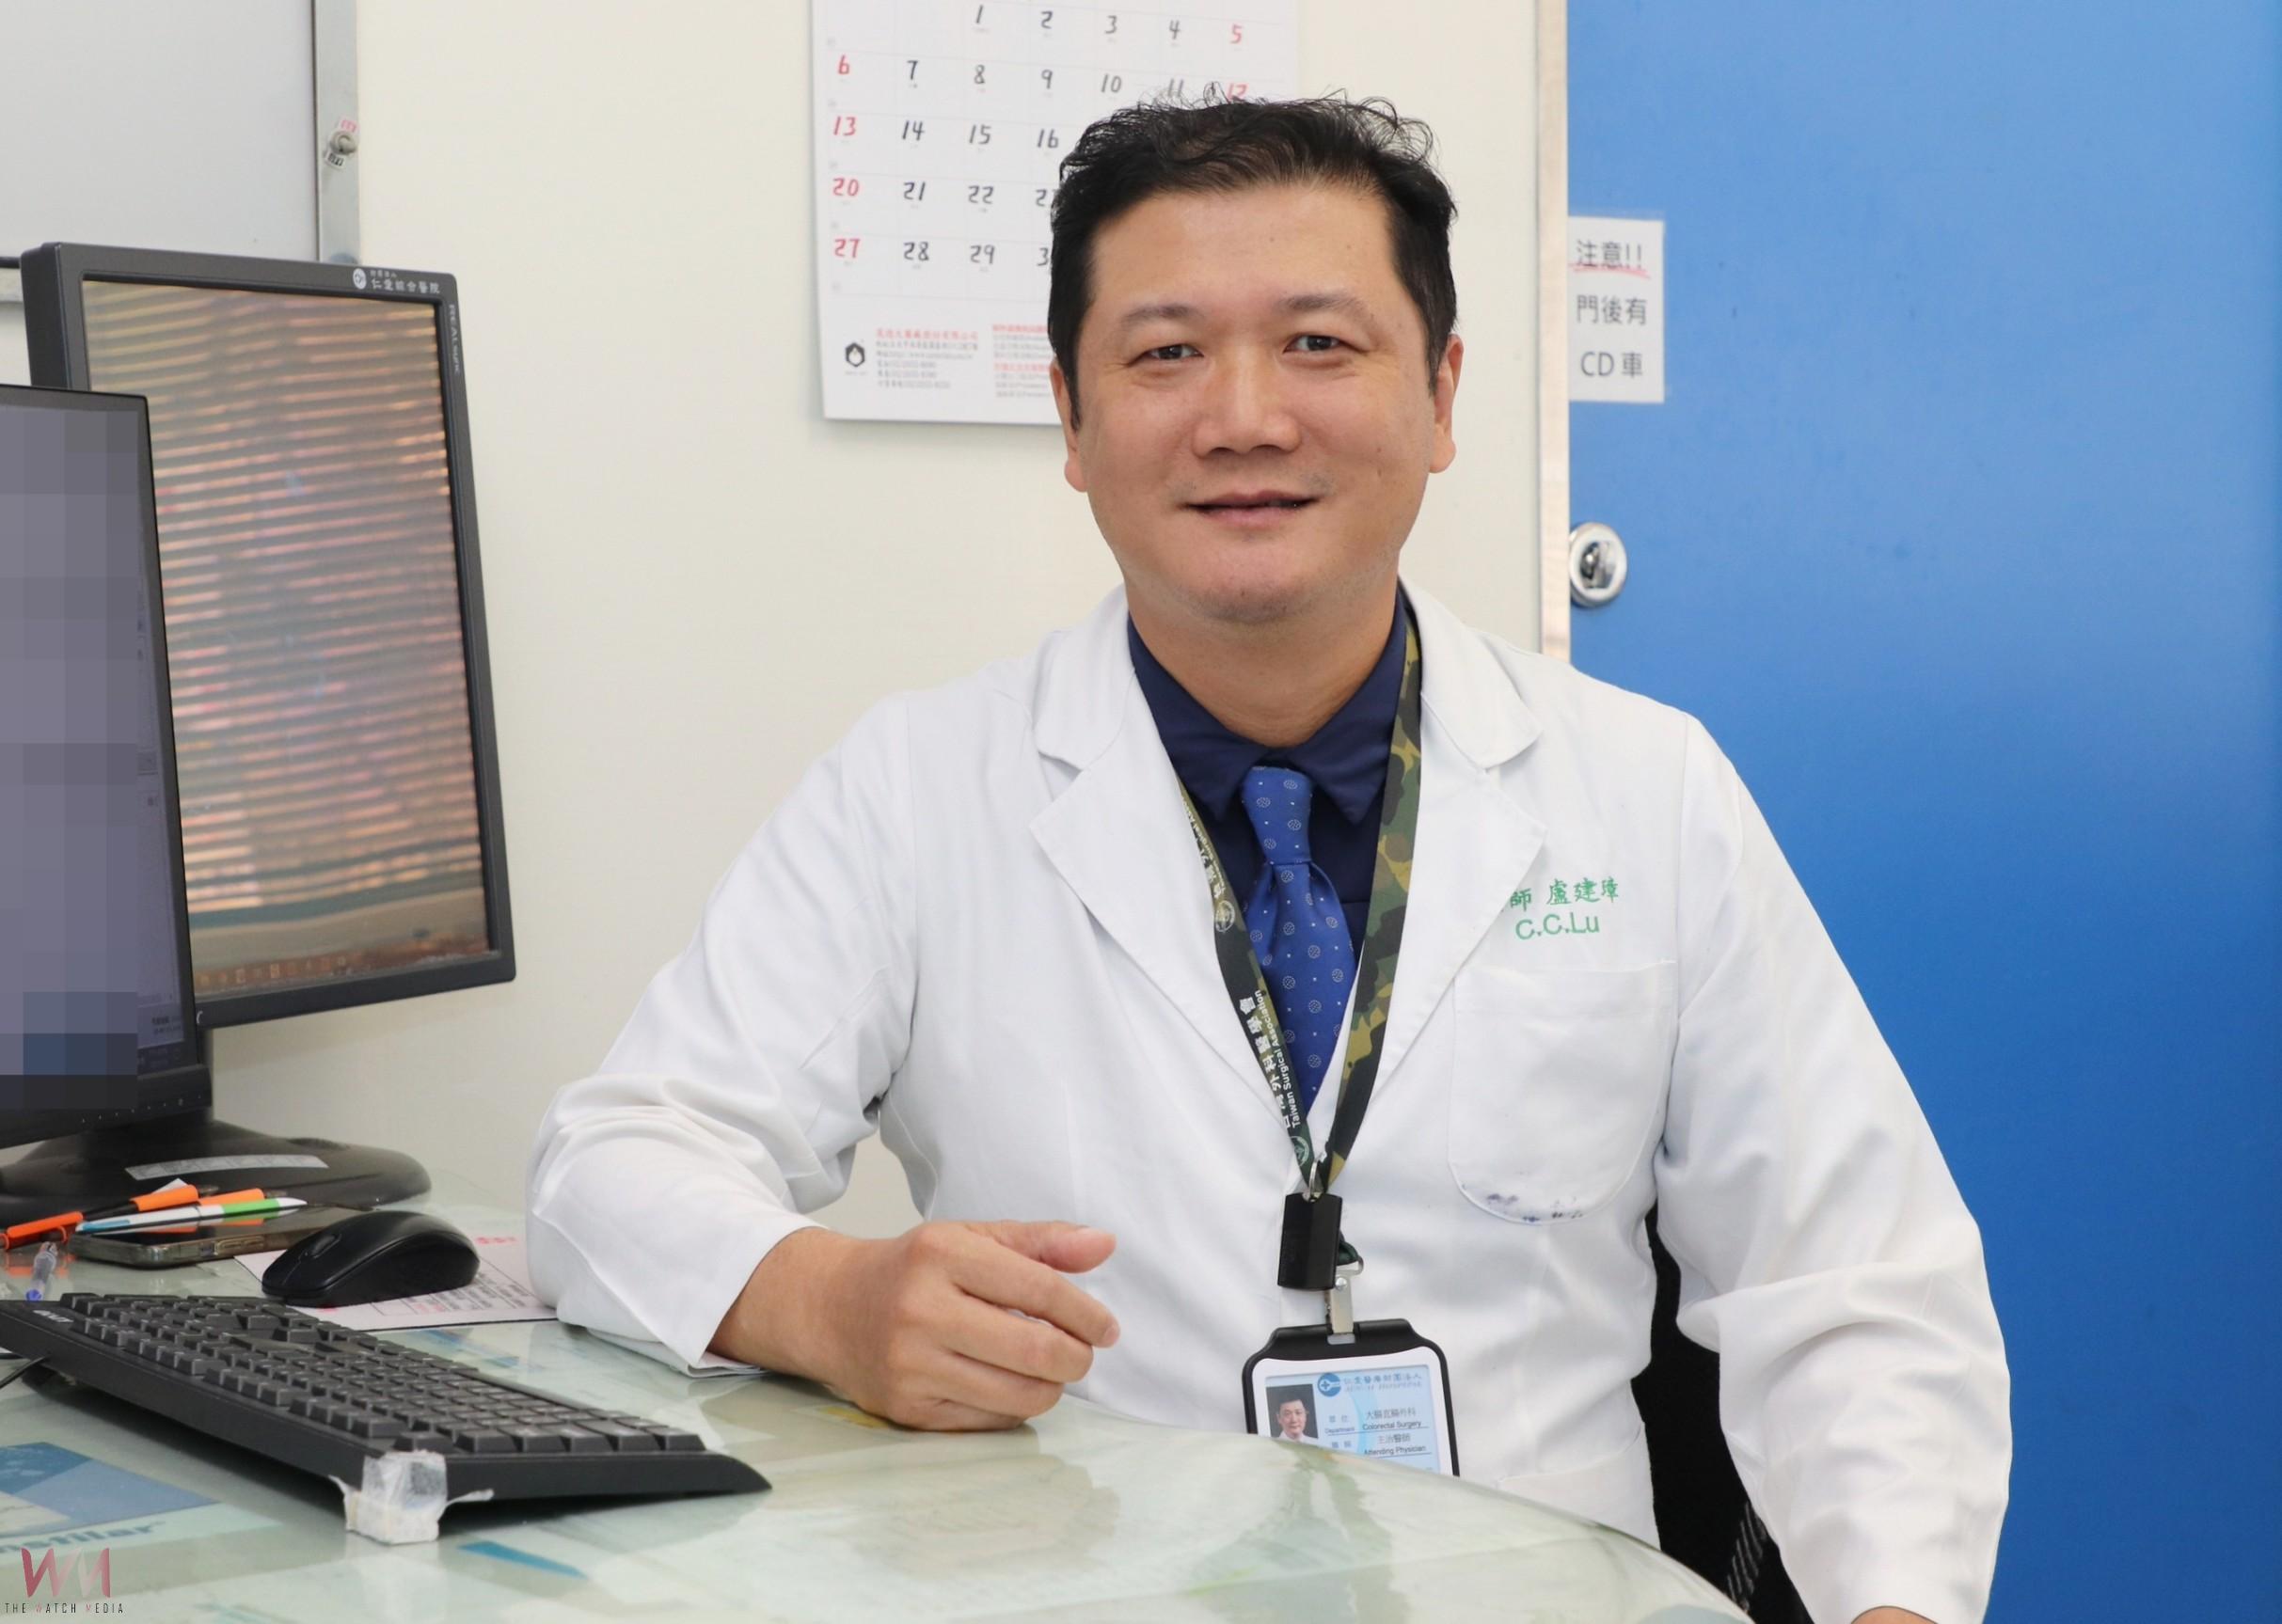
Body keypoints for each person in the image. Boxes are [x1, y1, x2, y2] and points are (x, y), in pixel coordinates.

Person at [528, 96, 2008, 1624]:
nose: (1243, 416)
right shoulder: (918, 790)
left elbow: (1859, 1290)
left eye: (1316, 343)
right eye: (1165, 353)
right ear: (1071, 417)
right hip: (1090, 1595)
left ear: (1440, 395)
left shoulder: (1643, 785)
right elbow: (607, 1170)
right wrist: (825, 1301)